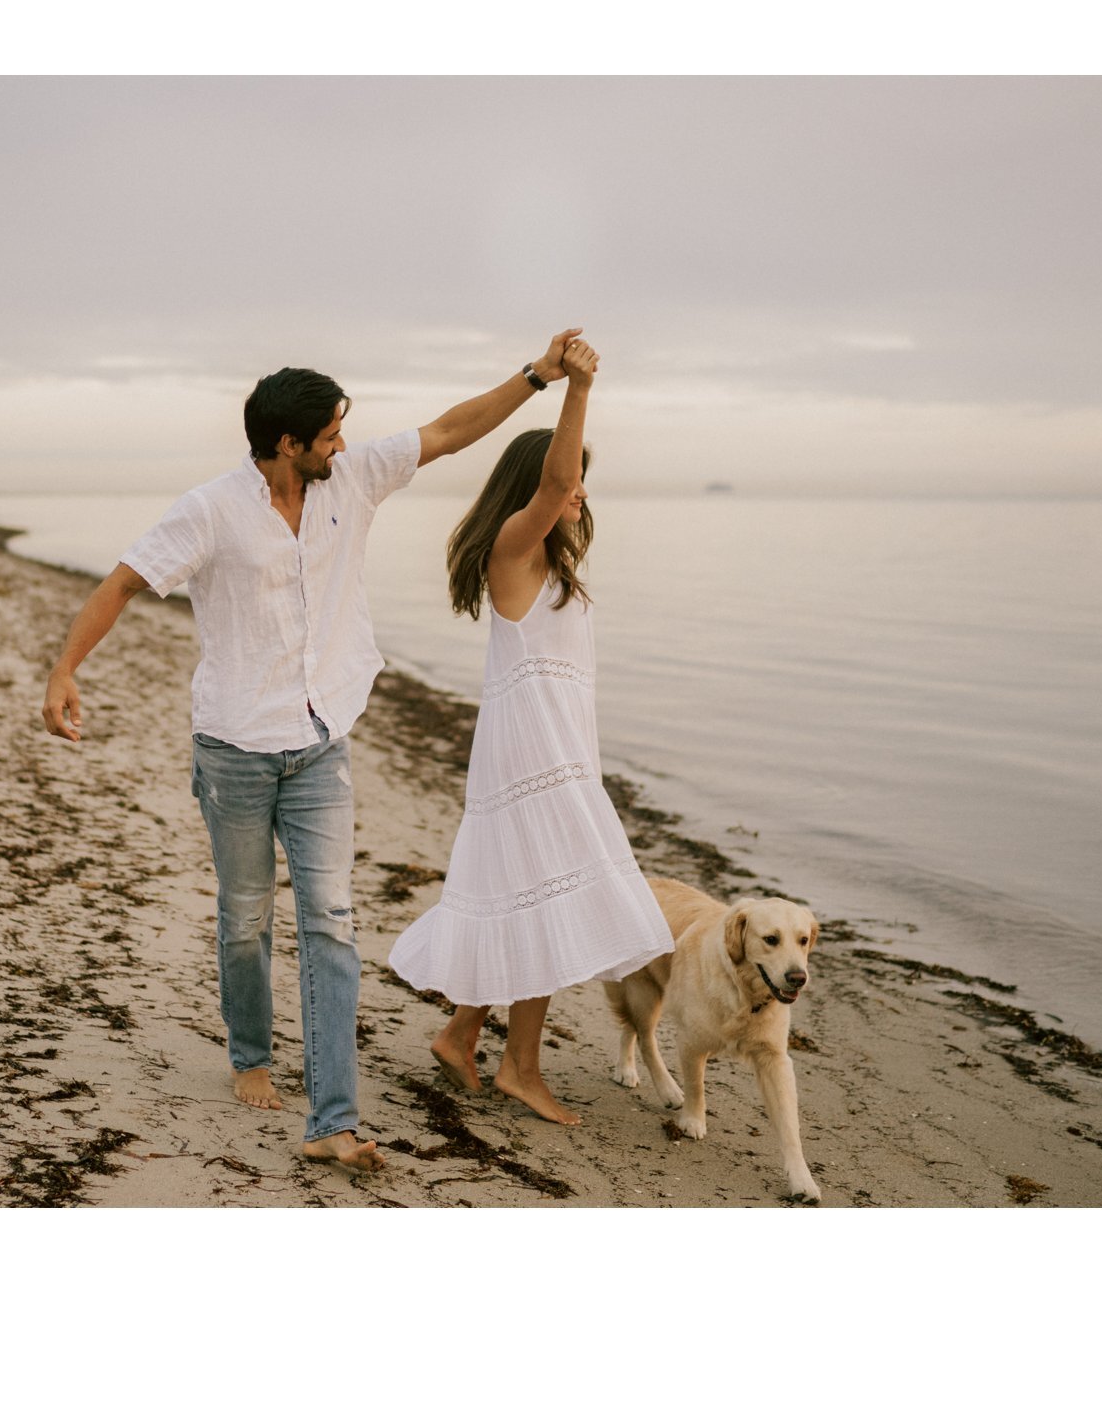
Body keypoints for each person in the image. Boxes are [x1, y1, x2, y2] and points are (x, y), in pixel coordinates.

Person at [40, 328, 586, 1172]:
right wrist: (66, 669)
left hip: (323, 739)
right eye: (330, 431)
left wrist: (536, 377)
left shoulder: (355, 479)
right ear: (287, 443)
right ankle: (252, 1055)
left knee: (330, 922)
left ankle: (334, 1117)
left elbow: (447, 432)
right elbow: (122, 582)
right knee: (247, 919)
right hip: (234, 746)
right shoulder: (211, 510)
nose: (344, 440)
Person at [387, 337, 672, 1125]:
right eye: (572, 477)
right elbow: (555, 480)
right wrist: (576, 388)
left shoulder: (550, 564)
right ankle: (518, 1065)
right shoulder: (515, 546)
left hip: (555, 756)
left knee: (526, 900)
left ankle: (461, 1034)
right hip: (530, 761)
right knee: (544, 902)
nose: (580, 490)